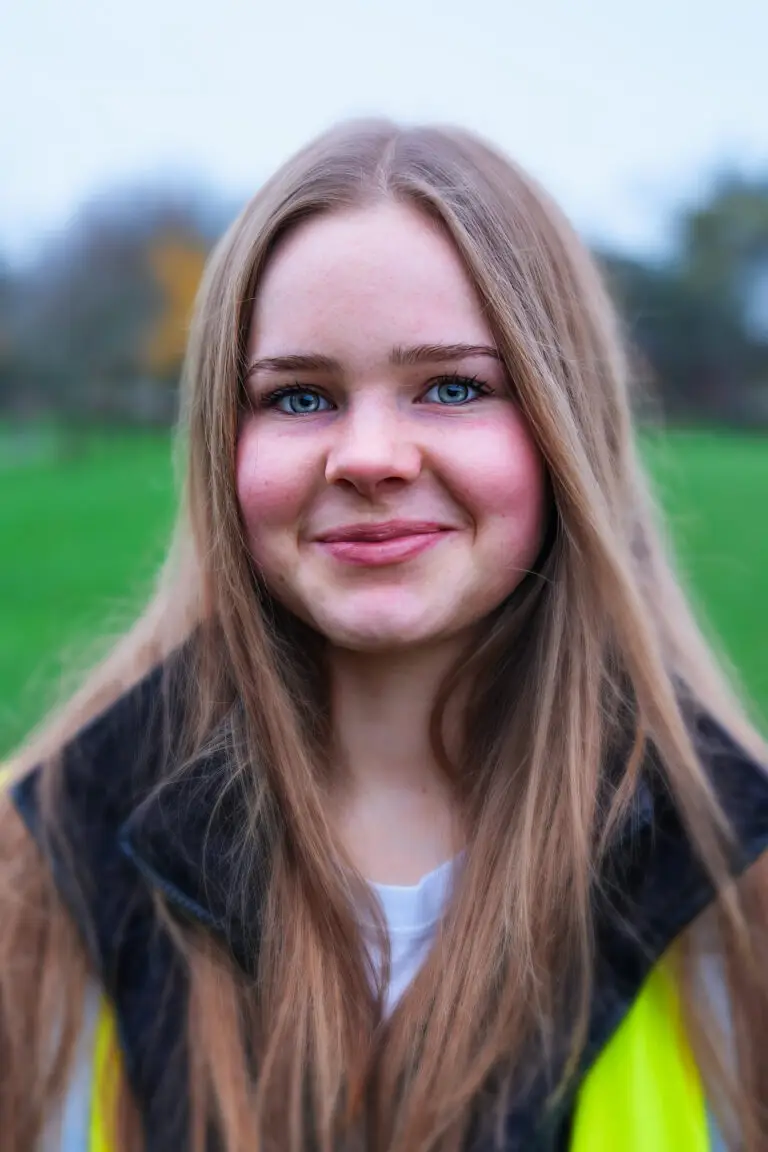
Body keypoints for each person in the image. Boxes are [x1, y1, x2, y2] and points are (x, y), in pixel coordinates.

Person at [1, 119, 767, 1152]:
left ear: (566, 426)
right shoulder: (37, 868)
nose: (369, 457)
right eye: (299, 396)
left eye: (453, 387)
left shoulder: (738, 884)